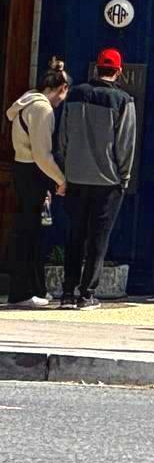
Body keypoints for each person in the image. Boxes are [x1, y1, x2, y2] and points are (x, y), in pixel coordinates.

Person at [52, 49, 136, 311]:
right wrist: (124, 176)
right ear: (119, 71)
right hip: (107, 181)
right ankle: (87, 295)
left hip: (75, 177)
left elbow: (63, 137)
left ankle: (67, 293)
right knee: (98, 239)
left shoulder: (75, 95)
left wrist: (65, 169)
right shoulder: (123, 100)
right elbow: (125, 144)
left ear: (96, 69)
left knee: (75, 235)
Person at [6, 58, 69, 308]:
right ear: (61, 88)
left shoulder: (26, 102)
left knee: (26, 230)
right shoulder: (43, 109)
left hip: (21, 169)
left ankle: (31, 288)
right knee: (32, 234)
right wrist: (60, 180)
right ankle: (24, 292)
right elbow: (43, 154)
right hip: (34, 172)